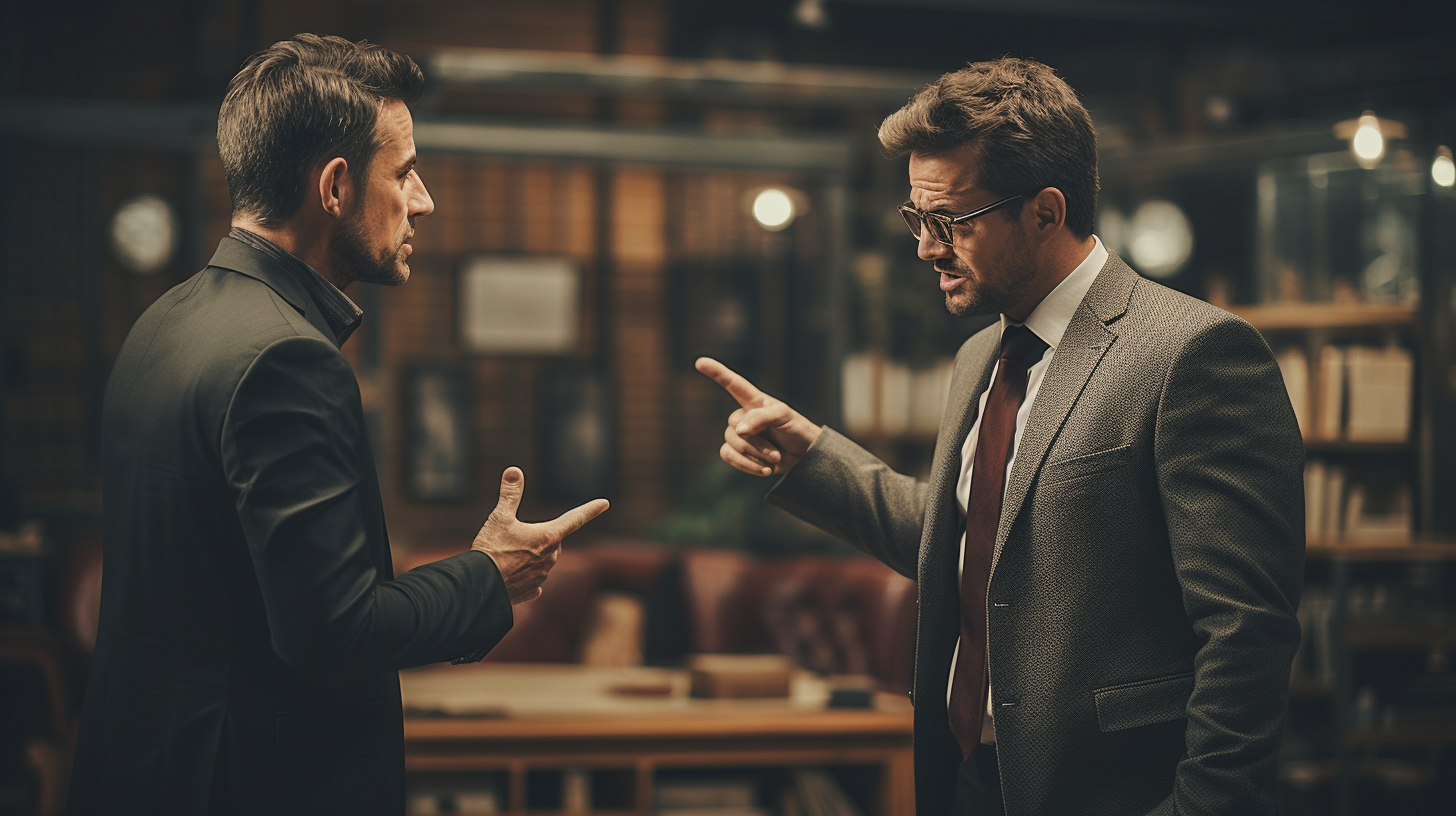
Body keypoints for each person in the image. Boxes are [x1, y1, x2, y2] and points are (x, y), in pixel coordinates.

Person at [697, 58, 1303, 816]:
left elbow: (1247, 631)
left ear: (1045, 213)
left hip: (1112, 791)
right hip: (966, 774)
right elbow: (974, 544)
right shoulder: (980, 355)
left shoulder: (1191, 353)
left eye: (950, 221)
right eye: (917, 219)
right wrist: (813, 456)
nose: (926, 248)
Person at [67, 34, 609, 816]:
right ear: (335, 186)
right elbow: (332, 634)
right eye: (406, 172)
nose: (423, 200)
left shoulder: (164, 322)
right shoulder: (287, 358)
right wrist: (489, 576)